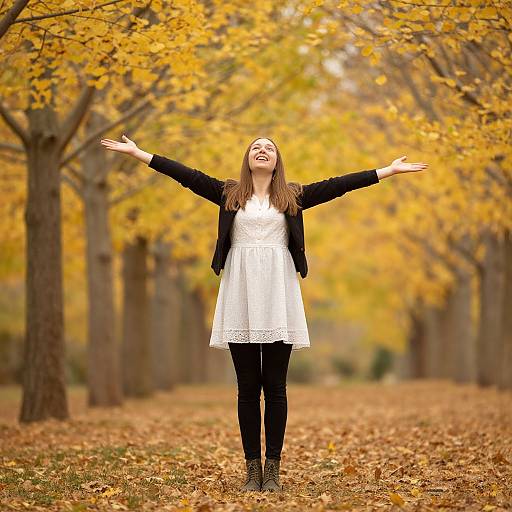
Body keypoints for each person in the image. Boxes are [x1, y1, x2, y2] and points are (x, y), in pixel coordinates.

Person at [100, 134, 428, 492]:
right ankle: (252, 470)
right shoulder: (228, 194)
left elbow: (340, 185)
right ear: (247, 157)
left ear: (277, 161)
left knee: (274, 387)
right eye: (256, 147)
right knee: (246, 388)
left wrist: (388, 171)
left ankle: (273, 469)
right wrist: (138, 154)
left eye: (269, 148)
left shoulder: (292, 197)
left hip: (278, 293)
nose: (262, 150)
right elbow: (186, 175)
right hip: (240, 292)